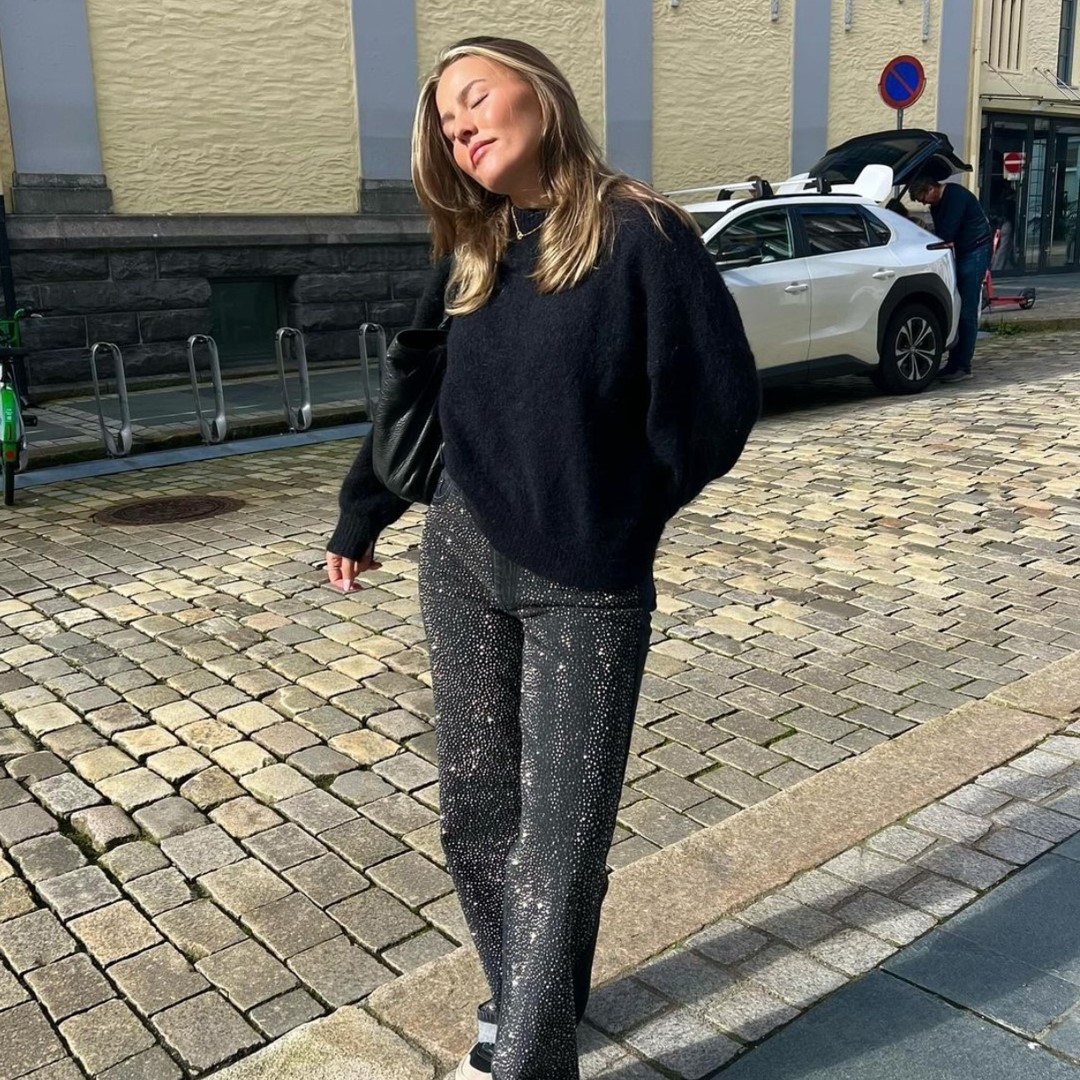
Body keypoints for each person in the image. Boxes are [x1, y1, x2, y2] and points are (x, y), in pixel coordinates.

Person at [325, 36, 759, 1080]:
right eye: (444, 121)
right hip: (462, 552)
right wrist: (363, 511)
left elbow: (715, 407)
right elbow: (421, 390)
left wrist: (626, 512)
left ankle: (528, 1055)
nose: (460, 127)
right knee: (475, 809)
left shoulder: (641, 233)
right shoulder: (474, 247)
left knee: (560, 839)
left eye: (475, 98)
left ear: (542, 95)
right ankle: (526, 1000)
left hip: (587, 579)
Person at [909, 174, 993, 383]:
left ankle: (962, 365)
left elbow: (946, 232)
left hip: (975, 249)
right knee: (960, 306)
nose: (924, 204)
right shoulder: (938, 204)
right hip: (964, 251)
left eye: (923, 198)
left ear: (931, 188)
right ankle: (954, 364)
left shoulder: (956, 196)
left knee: (967, 310)